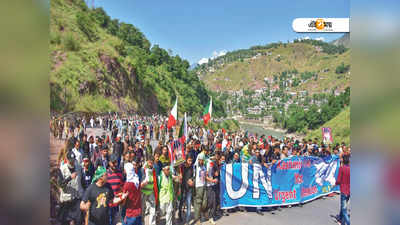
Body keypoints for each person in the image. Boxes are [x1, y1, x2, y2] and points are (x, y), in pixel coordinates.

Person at [57, 151, 83, 225]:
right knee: (65, 221)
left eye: (73, 160)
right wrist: (69, 178)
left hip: (77, 199)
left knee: (78, 221)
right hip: (66, 200)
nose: (72, 162)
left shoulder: (79, 167)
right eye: (70, 160)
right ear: (67, 160)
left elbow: (82, 182)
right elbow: (60, 184)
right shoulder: (62, 169)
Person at [123, 160, 142, 225]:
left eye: (125, 169)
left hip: (130, 213)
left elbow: (124, 200)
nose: (124, 171)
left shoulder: (127, 184)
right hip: (138, 212)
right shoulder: (137, 179)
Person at [107, 154, 125, 225]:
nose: (114, 164)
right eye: (113, 162)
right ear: (109, 163)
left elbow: (122, 187)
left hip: (117, 205)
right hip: (108, 204)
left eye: (116, 162)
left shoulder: (120, 174)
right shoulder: (106, 174)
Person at [140, 157, 158, 225]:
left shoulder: (153, 170)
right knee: (143, 210)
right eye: (149, 162)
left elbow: (155, 180)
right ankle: (142, 222)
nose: (150, 163)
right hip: (143, 192)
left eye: (152, 162)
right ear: (147, 161)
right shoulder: (143, 169)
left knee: (153, 209)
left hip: (151, 192)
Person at [179, 156, 194, 225]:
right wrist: (180, 175)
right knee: (181, 203)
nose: (190, 162)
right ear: (186, 160)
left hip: (189, 189)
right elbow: (179, 175)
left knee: (188, 204)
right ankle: (180, 215)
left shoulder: (192, 167)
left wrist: (192, 180)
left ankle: (187, 221)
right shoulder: (182, 167)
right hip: (183, 188)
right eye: (189, 160)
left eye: (191, 161)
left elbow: (194, 175)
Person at [335, 154, 350, 225]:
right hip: (349, 190)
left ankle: (347, 222)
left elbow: (338, 180)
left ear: (343, 160)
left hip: (344, 190)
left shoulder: (342, 168)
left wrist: (335, 183)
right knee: (343, 205)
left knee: (344, 209)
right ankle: (340, 219)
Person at [193, 152, 207, 225]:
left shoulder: (204, 167)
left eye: (202, 160)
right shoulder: (196, 166)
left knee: (204, 202)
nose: (201, 161)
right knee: (198, 203)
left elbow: (205, 175)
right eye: (199, 160)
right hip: (198, 187)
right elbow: (193, 176)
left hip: (204, 185)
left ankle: (201, 213)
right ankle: (197, 218)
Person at [205, 155, 219, 224]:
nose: (214, 159)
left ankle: (211, 217)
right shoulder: (207, 164)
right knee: (210, 202)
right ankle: (207, 215)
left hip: (213, 185)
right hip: (208, 185)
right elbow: (205, 176)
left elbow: (215, 173)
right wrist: (212, 180)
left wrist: (216, 175)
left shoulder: (214, 164)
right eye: (212, 158)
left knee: (213, 201)